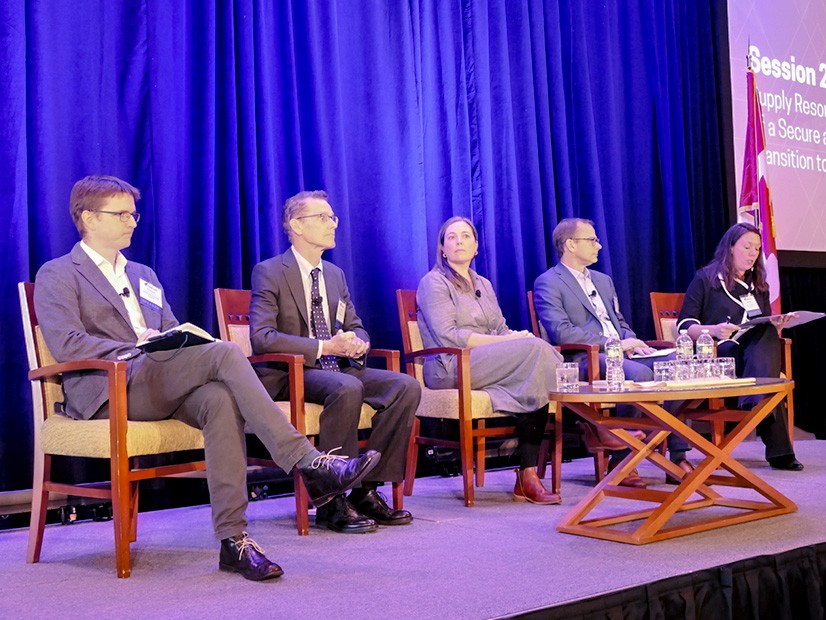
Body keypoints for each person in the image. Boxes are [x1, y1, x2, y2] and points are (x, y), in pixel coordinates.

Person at [34, 176, 380, 582]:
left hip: (158, 380)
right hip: (108, 388)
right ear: (89, 218)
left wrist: (171, 339)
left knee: (219, 398)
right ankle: (309, 461)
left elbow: (166, 327)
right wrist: (136, 347)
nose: (132, 222)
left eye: (134, 213)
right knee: (227, 353)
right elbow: (69, 343)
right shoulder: (58, 273)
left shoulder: (143, 273)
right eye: (122, 214)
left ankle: (234, 541)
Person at [250, 190, 420, 534]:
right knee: (347, 387)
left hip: (337, 368)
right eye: (323, 218)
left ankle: (366, 489)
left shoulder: (334, 275)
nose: (332, 224)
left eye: (333, 218)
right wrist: (324, 345)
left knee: (405, 386)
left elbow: (354, 323)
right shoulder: (269, 271)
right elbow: (261, 337)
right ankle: (331, 500)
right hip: (291, 372)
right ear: (296, 225)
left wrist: (358, 342)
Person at [533, 218, 693, 488]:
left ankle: (677, 457)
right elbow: (562, 332)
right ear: (570, 244)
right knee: (638, 373)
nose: (599, 245)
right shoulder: (548, 282)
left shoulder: (603, 281)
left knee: (681, 364)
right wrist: (615, 344)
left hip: (621, 353)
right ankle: (621, 460)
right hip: (585, 359)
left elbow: (620, 323)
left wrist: (634, 341)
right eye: (592, 240)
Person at [416, 216, 564, 505]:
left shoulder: (483, 283)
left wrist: (514, 336)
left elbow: (499, 328)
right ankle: (589, 424)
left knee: (538, 359)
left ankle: (527, 472)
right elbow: (449, 336)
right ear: (443, 249)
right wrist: (512, 342)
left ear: (476, 248)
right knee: (536, 352)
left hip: (487, 364)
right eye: (451, 237)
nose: (459, 241)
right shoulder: (433, 282)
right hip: (451, 365)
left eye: (465, 236)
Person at [677, 222, 802, 471]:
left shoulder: (759, 286)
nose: (753, 253)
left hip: (752, 357)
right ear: (731, 247)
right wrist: (712, 330)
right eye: (747, 247)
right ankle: (778, 449)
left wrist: (777, 324)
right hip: (719, 352)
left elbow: (762, 328)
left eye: (757, 248)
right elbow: (684, 325)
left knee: (766, 332)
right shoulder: (706, 278)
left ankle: (755, 401)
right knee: (767, 378)